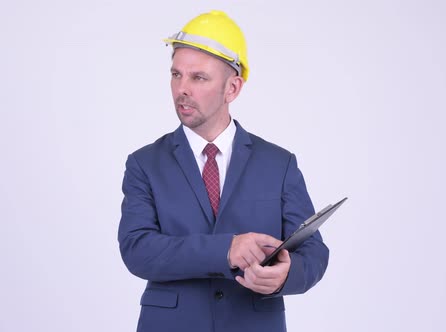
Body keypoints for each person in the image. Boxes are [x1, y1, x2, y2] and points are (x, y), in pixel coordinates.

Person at [118, 10, 329, 332]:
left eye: (198, 77)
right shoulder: (145, 163)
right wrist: (226, 249)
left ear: (232, 88)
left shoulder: (278, 163)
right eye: (176, 75)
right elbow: (138, 250)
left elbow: (313, 251)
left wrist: (286, 275)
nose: (181, 89)